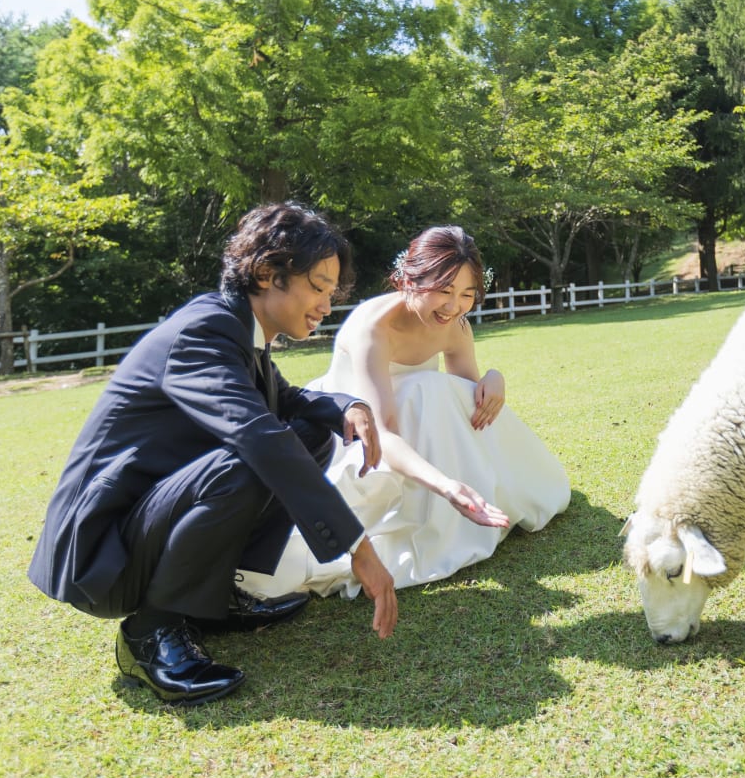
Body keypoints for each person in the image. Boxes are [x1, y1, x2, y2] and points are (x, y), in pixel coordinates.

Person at [27, 202, 397, 707]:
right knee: (253, 456)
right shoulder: (204, 331)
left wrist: (346, 407)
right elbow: (258, 435)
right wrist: (357, 545)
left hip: (142, 523)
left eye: (332, 292)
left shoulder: (237, 329)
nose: (326, 305)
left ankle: (210, 597)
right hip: (101, 554)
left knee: (309, 433)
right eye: (318, 286)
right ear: (268, 274)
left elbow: (285, 402)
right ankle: (149, 634)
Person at [240, 225, 570, 600]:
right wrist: (447, 486)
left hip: (423, 428)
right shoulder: (374, 330)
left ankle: (467, 507)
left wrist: (494, 380)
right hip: (359, 432)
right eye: (444, 291)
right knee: (422, 389)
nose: (454, 306)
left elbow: (465, 398)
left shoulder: (454, 325)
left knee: (433, 389)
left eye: (466, 294)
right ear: (408, 279)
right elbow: (384, 430)